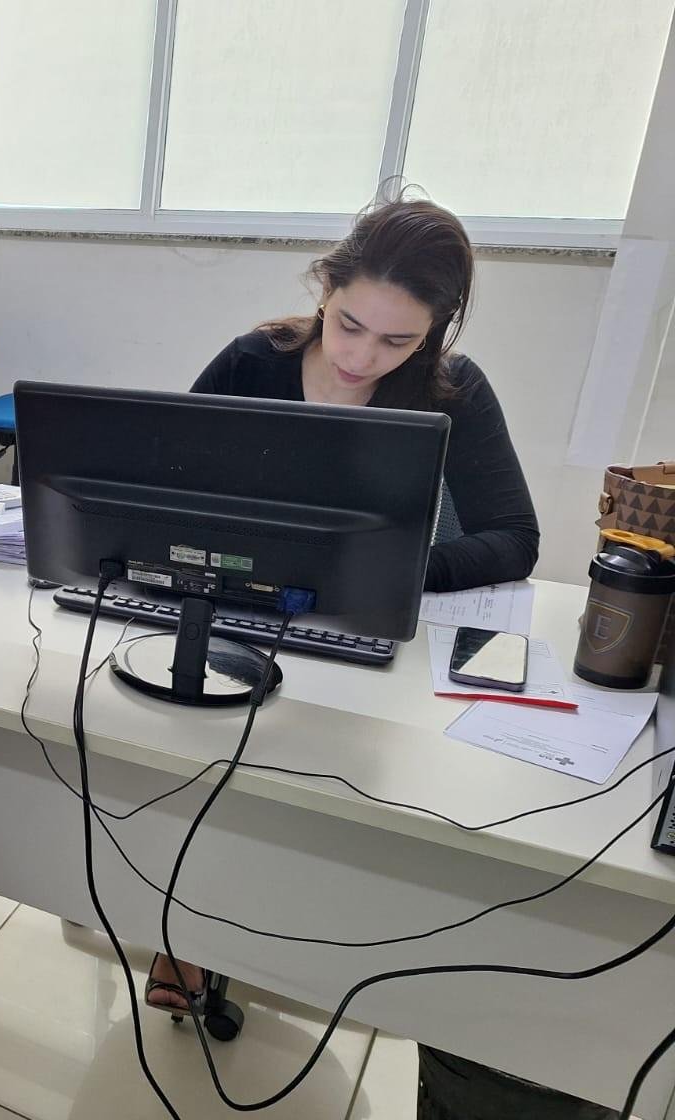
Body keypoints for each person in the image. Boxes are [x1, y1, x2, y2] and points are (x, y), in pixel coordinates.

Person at [151, 194, 618, 1119]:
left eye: (397, 343)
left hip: (382, 636)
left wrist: (385, 570)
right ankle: (191, 924)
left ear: (435, 335)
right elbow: (167, 489)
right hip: (245, 619)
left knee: (350, 798)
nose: (363, 357)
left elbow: (514, 539)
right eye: (349, 324)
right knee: (191, 758)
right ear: (324, 288)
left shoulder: (456, 389)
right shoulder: (256, 361)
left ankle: (315, 941)